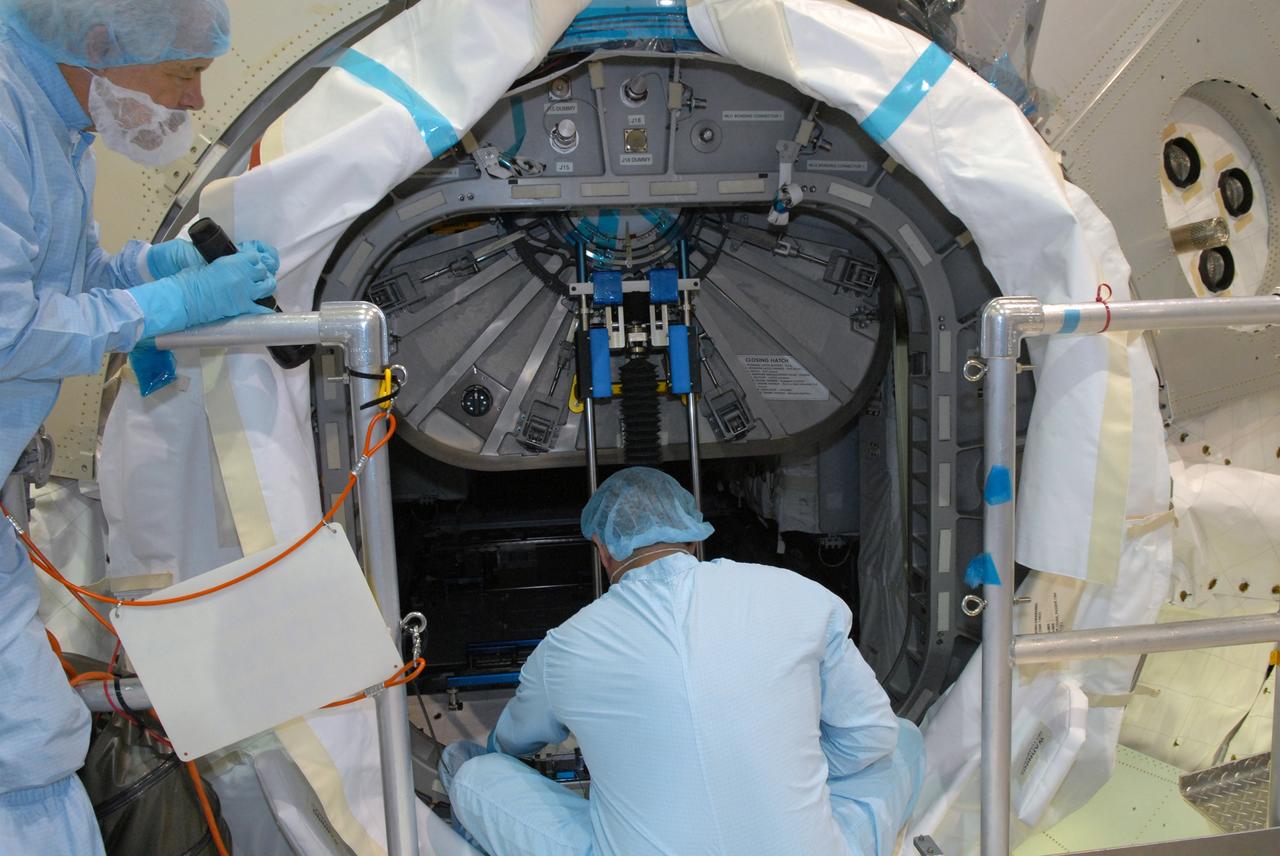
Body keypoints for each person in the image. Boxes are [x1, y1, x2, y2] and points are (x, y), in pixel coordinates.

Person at [0, 1, 279, 851]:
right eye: (183, 75)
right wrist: (167, 304)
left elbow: (72, 280)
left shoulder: (56, 124)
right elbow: (11, 327)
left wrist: (153, 270)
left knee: (30, 739)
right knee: (28, 743)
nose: (196, 104)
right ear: (99, 46)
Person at [439, 467, 926, 856]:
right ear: (694, 534)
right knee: (902, 739)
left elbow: (511, 743)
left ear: (602, 550)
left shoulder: (565, 646)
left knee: (475, 773)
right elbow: (871, 737)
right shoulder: (802, 597)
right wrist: (778, 781)